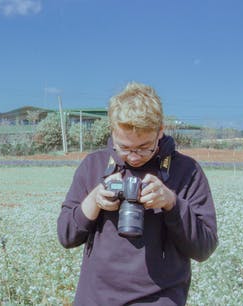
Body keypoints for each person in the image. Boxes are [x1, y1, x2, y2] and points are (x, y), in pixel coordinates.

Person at [57, 82, 218, 305]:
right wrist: (94, 200)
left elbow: (204, 248)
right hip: (96, 297)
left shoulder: (187, 171)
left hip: (160, 298)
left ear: (160, 131)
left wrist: (172, 203)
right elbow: (66, 236)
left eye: (144, 147)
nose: (133, 156)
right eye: (124, 147)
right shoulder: (94, 165)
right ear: (112, 131)